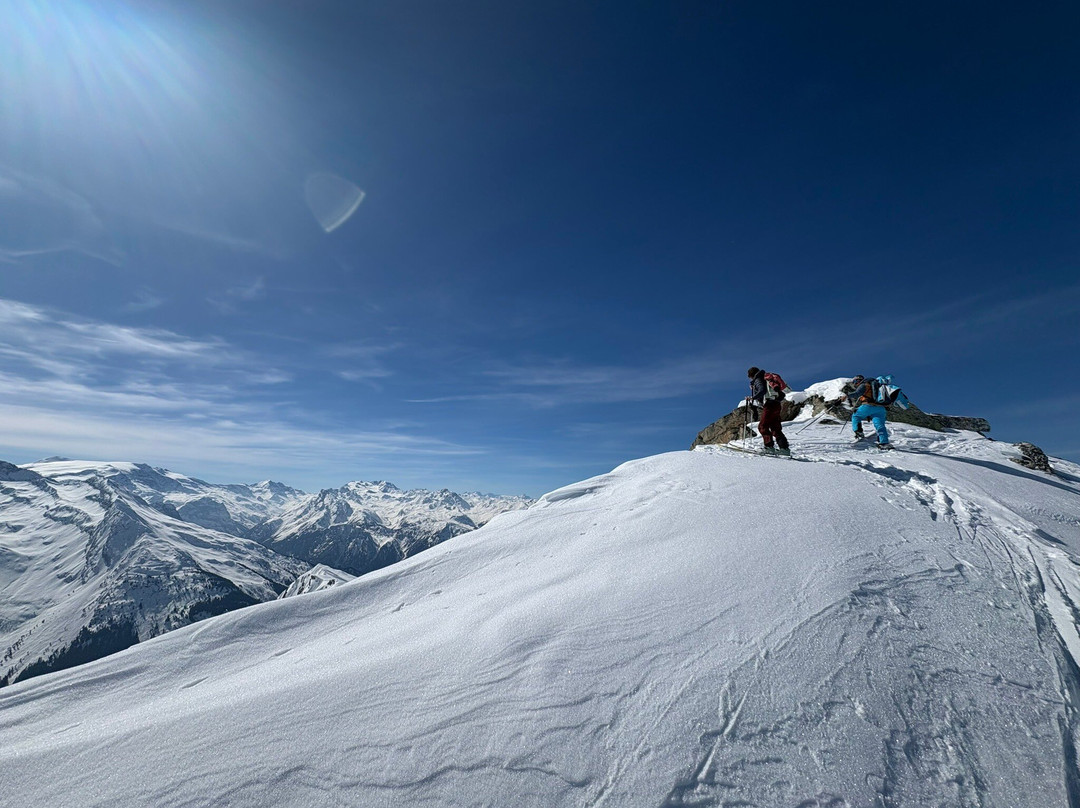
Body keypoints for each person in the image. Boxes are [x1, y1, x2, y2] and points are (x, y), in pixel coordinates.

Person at [746, 367, 790, 456]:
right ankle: (784, 449)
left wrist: (753, 397)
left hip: (770, 404)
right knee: (775, 428)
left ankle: (769, 447)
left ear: (751, 375)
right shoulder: (767, 378)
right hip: (777, 404)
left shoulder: (758, 379)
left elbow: (762, 390)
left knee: (763, 426)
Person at [846, 375, 892, 449]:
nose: (855, 384)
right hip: (880, 408)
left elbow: (856, 394)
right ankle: (884, 442)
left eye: (855, 381)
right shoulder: (877, 386)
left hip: (868, 406)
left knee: (856, 416)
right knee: (880, 425)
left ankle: (859, 432)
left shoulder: (864, 384)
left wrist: (846, 396)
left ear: (858, 380)